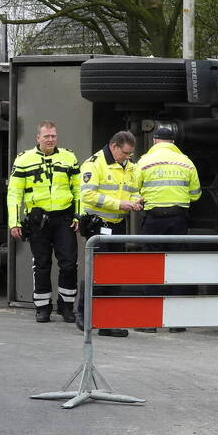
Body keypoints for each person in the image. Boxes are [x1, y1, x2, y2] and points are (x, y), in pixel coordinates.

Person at [7, 121, 81, 323]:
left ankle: (66, 307)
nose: (50, 139)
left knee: (68, 264)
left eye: (53, 136)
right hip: (37, 221)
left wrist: (78, 216)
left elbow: (78, 190)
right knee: (41, 265)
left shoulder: (68, 157)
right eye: (46, 136)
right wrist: (14, 222)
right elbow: (14, 194)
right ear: (37, 137)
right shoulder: (23, 160)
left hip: (64, 218)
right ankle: (42, 307)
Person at [132, 125, 202, 333]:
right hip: (178, 219)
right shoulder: (187, 162)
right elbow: (196, 194)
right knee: (177, 266)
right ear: (173, 142)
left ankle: (149, 322)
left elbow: (134, 192)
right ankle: (176, 322)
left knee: (151, 266)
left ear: (154, 141)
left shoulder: (143, 162)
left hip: (153, 219)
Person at [75, 130, 142, 337]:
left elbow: (135, 188)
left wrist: (136, 200)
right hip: (99, 225)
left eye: (130, 154)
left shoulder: (130, 166)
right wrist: (119, 204)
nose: (128, 157)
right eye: (125, 153)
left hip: (118, 224)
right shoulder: (94, 164)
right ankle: (82, 314)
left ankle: (108, 321)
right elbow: (87, 195)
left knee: (114, 274)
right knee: (96, 272)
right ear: (114, 147)